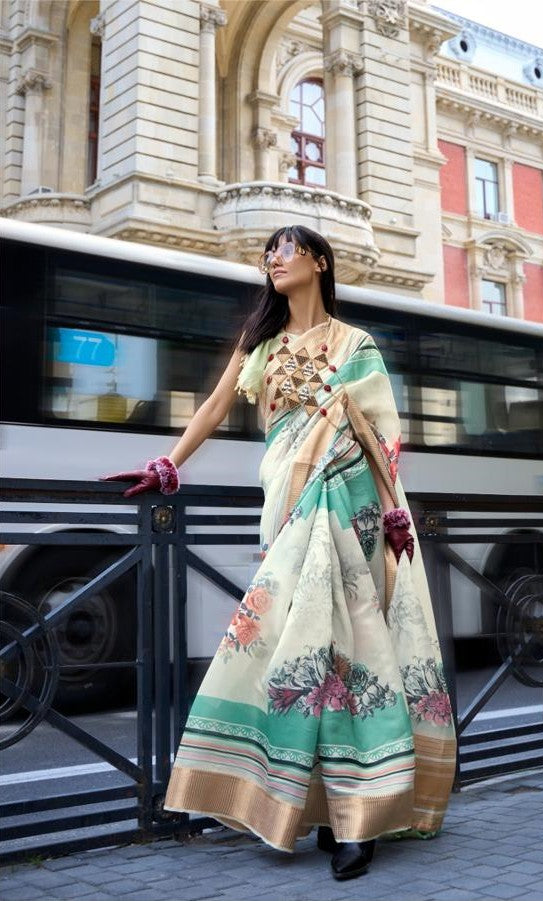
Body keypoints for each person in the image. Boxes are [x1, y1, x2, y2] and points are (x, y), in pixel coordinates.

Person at [104, 225, 456, 880]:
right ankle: (316, 805)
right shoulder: (261, 344)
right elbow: (212, 407)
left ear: (319, 261)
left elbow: (383, 434)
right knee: (295, 657)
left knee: (350, 656)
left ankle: (359, 816)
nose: (272, 257)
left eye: (285, 248)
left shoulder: (356, 345)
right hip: (287, 508)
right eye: (266, 250)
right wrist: (167, 465)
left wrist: (369, 481)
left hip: (348, 508)